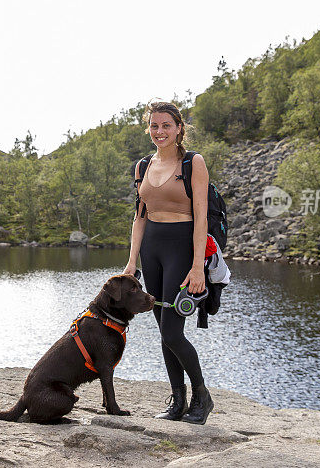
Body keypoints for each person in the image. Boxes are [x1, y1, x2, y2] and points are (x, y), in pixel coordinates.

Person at [122, 101, 214, 425]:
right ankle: (178, 401)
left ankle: (202, 395)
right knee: (164, 330)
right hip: (151, 250)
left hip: (181, 248)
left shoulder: (193, 163)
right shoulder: (142, 166)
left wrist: (197, 266)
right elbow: (139, 217)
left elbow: (201, 215)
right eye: (154, 126)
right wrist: (132, 262)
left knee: (174, 332)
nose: (159, 131)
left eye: (166, 126)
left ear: (178, 128)